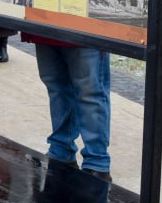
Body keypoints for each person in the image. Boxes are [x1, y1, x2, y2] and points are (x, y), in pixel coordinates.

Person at [22, 32, 112, 182]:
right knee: (56, 87)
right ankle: (61, 151)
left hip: (85, 26)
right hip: (44, 25)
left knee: (89, 92)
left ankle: (97, 163)